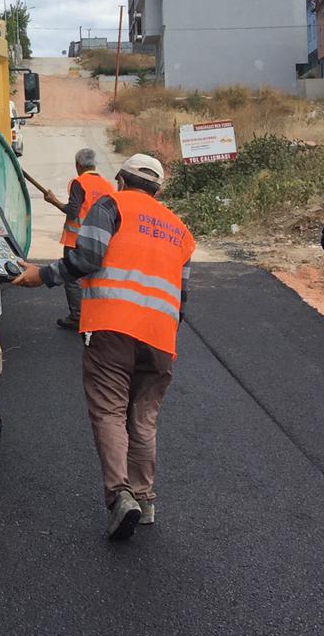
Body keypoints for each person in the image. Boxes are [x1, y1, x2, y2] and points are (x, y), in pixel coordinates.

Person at [11, 153, 194, 541]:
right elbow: (183, 295)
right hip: (161, 337)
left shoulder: (111, 205)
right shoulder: (180, 229)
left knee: (110, 411)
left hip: (112, 328)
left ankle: (119, 495)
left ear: (121, 181)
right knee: (143, 418)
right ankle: (144, 500)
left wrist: (38, 276)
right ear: (157, 190)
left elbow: (87, 257)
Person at [36, 148, 116, 331]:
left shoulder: (79, 183)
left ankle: (77, 317)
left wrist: (54, 201)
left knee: (73, 278)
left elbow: (73, 211)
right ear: (94, 164)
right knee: (96, 277)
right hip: (101, 241)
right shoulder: (107, 185)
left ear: (78, 165)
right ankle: (97, 315)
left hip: (77, 239)